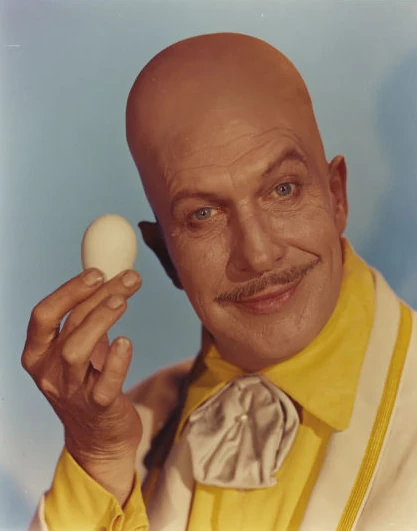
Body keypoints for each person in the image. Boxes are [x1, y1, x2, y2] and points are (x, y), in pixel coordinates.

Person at [23, 32, 417, 531]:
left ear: (337, 196)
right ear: (165, 256)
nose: (258, 253)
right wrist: (97, 459)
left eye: (283, 189)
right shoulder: (128, 431)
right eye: (203, 215)